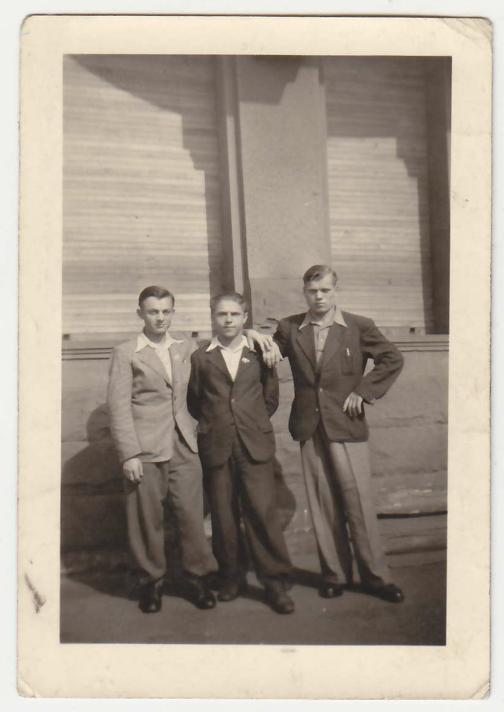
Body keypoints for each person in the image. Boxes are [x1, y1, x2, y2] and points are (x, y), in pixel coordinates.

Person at [249, 265, 405, 603]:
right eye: (312, 291)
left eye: (325, 290)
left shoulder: (359, 326)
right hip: (310, 425)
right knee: (323, 502)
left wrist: (364, 391)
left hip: (346, 423)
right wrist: (256, 337)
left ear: (336, 290)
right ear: (304, 292)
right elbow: (263, 350)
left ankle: (376, 577)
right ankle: (335, 575)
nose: (319, 297)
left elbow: (392, 359)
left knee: (358, 502)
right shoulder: (290, 327)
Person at [107, 285, 217, 614]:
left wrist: (254, 334)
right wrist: (129, 454)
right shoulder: (126, 352)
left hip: (184, 443)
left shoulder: (187, 347)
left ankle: (198, 578)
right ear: (140, 313)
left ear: (173, 313)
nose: (160, 318)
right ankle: (150, 582)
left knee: (192, 515)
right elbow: (118, 406)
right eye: (153, 311)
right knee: (146, 519)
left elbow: (225, 346)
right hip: (145, 448)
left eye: (166, 311)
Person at [187, 292, 295, 614]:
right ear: (213, 317)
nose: (228, 320)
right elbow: (195, 401)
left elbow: (270, 398)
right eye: (222, 314)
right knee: (223, 515)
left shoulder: (259, 352)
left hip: (253, 444)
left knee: (262, 512)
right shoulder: (201, 357)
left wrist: (250, 423)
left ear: (245, 317)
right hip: (217, 444)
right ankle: (231, 577)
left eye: (235, 314)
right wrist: (218, 424)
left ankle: (274, 581)